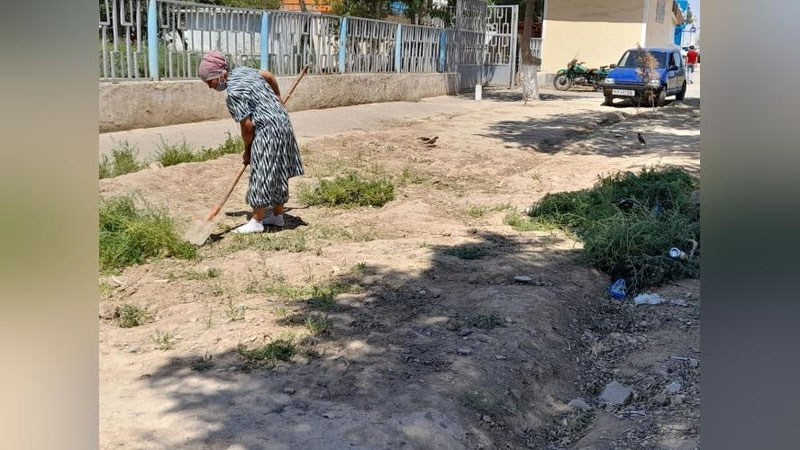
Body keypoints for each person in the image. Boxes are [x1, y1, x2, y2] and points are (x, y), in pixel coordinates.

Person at [198, 51, 304, 234]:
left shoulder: (233, 93)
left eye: (210, 82)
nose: (210, 87)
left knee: (261, 172)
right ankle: (277, 216)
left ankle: (256, 221)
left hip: (267, 129)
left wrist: (248, 150)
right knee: (278, 171)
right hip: (283, 122)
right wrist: (277, 97)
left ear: (219, 75)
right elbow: (268, 75)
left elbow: (247, 127)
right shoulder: (243, 71)